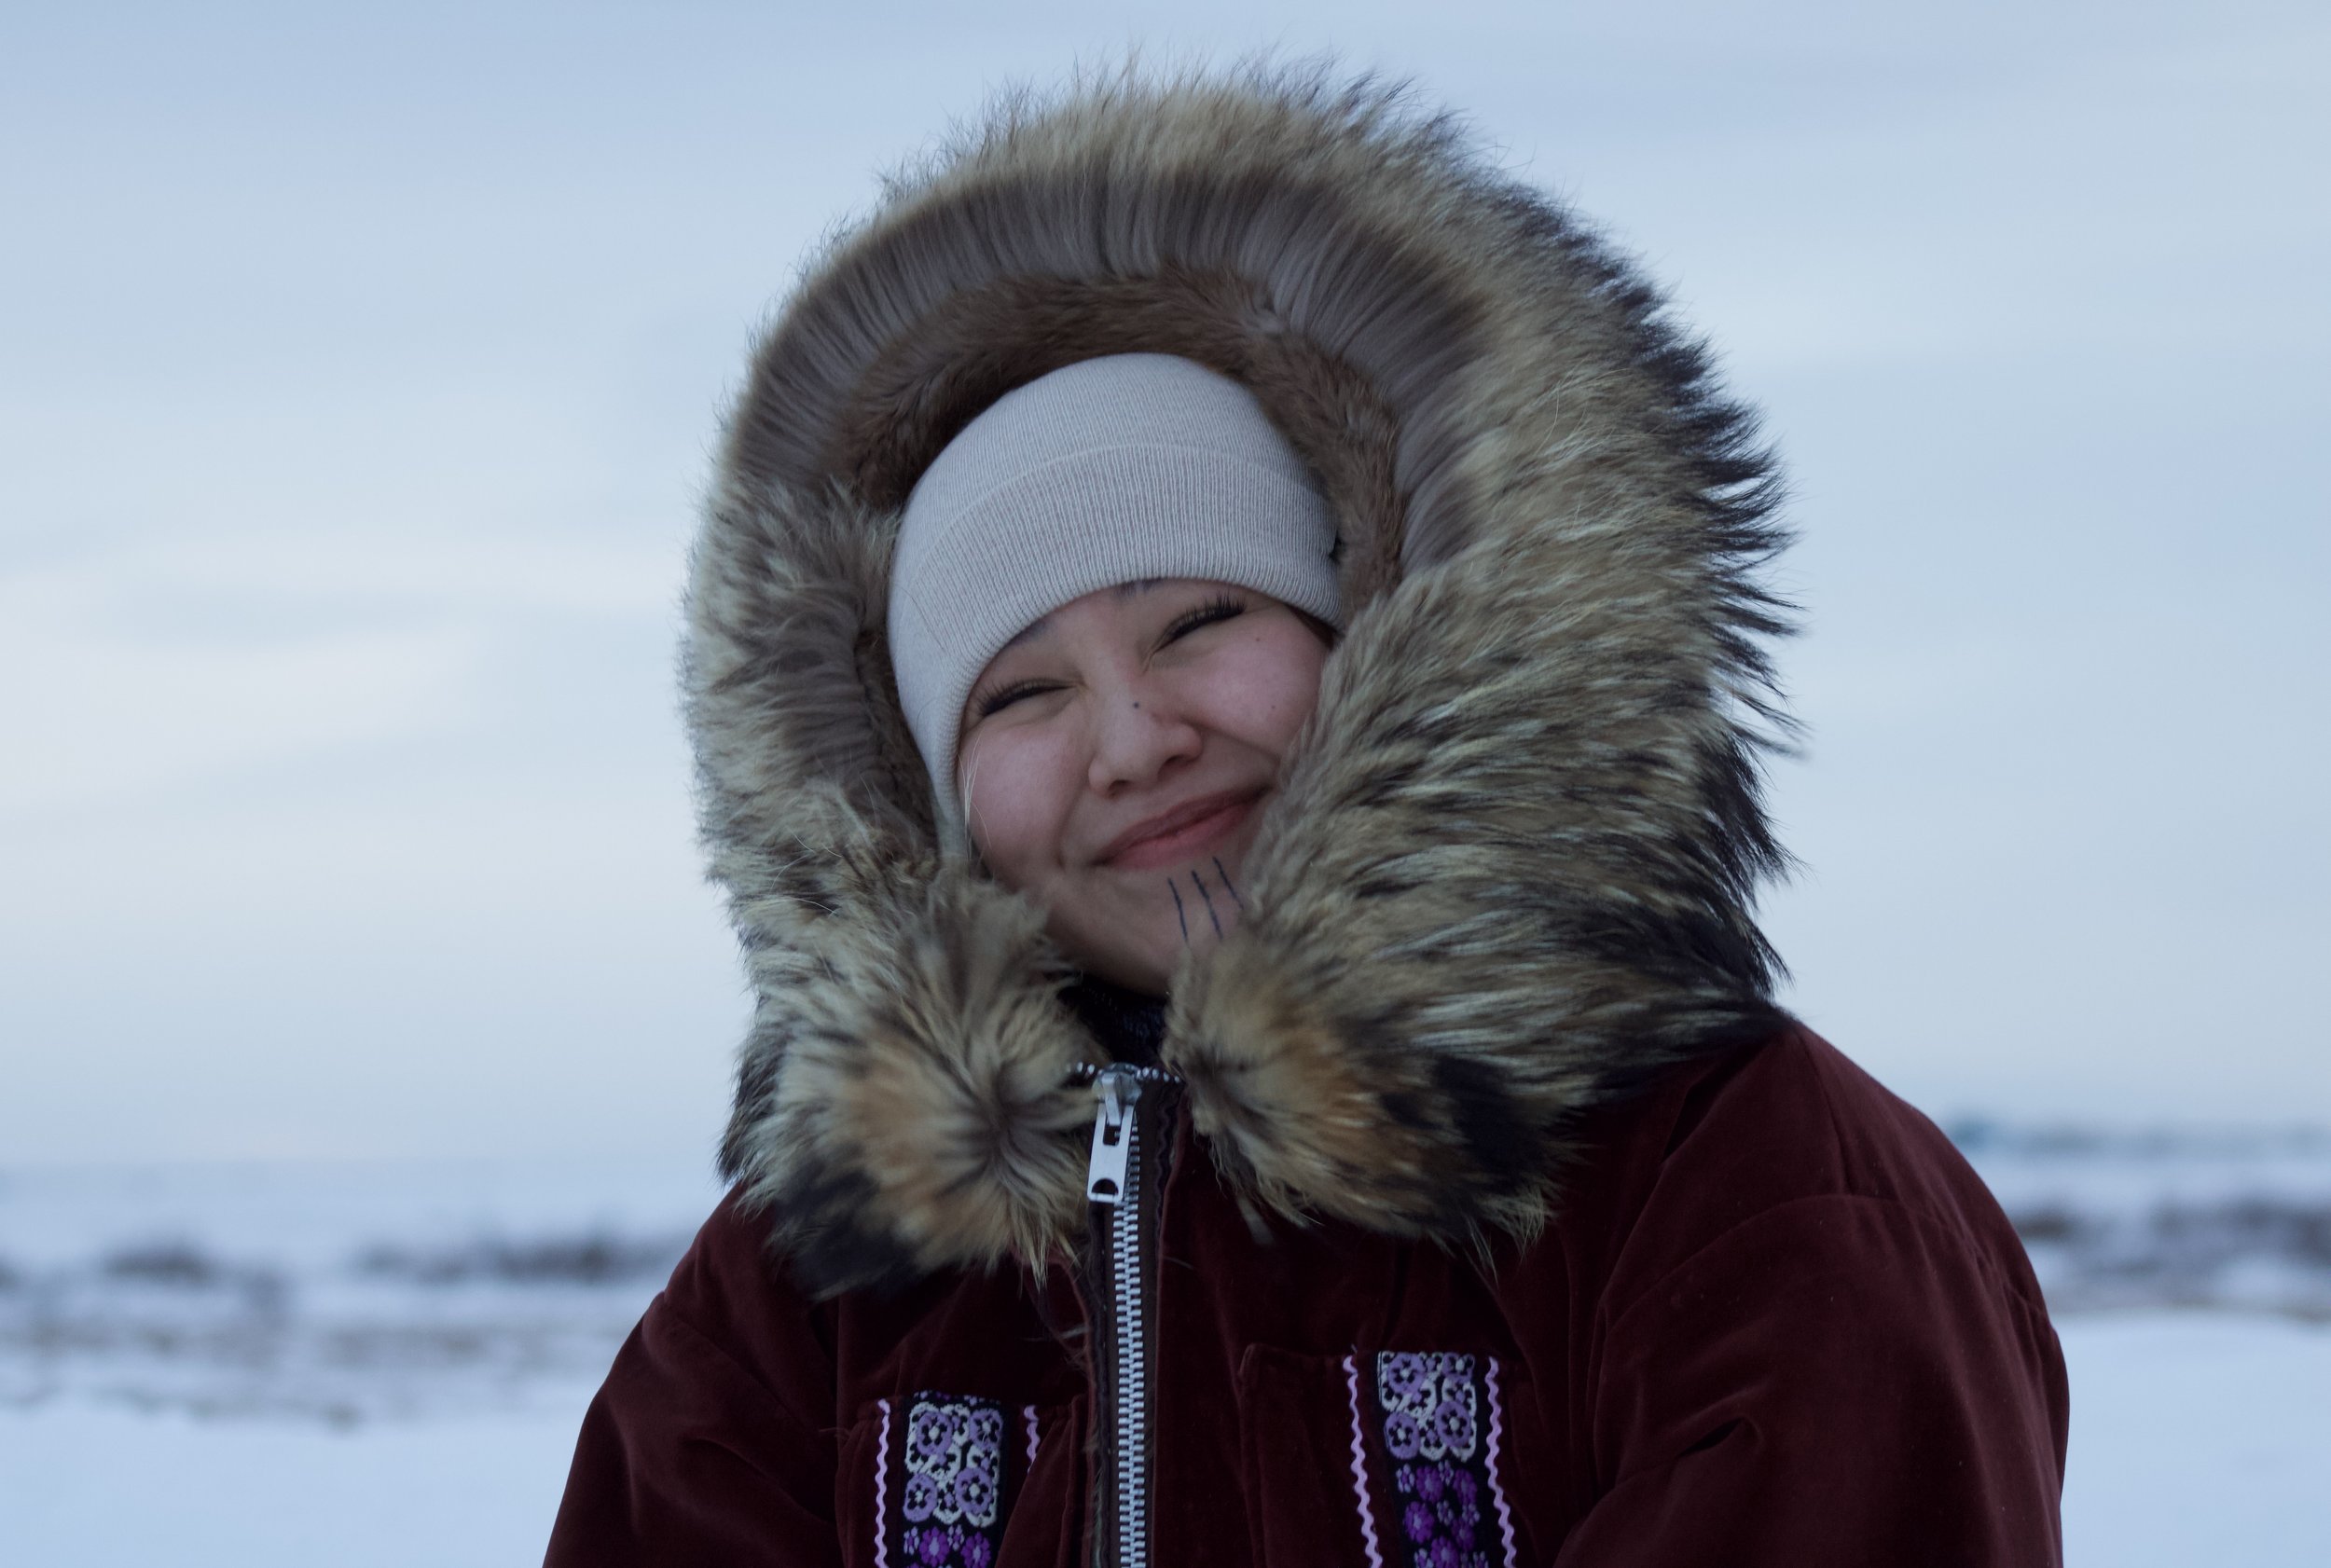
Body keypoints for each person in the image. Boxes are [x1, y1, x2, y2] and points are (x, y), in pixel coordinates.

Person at [546, 68, 2067, 1567]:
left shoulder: (1744, 1188)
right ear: (927, 802)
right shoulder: (800, 1300)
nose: (1135, 740)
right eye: (1022, 695)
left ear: (1380, 630)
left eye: (1202, 618)